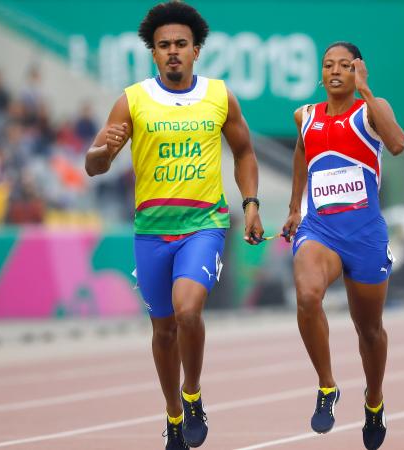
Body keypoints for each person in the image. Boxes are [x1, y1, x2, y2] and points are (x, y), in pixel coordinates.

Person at [85, 2, 264, 449]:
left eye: (181, 44)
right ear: (153, 53)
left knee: (187, 311)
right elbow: (95, 165)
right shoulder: (133, 99)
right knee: (163, 330)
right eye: (163, 45)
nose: (172, 52)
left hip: (204, 224)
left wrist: (252, 203)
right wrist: (102, 151)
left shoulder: (220, 96)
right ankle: (172, 416)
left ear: (196, 50)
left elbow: (244, 152)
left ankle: (192, 393)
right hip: (151, 231)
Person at [282, 42, 404, 450]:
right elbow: (302, 153)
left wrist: (368, 91)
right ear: (321, 73)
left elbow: (398, 142)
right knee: (307, 294)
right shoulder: (306, 116)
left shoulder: (369, 110)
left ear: (357, 71)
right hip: (321, 231)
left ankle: (374, 399)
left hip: (366, 235)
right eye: (328, 65)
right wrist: (294, 208)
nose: (335, 71)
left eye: (345, 66)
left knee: (369, 329)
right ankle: (327, 384)